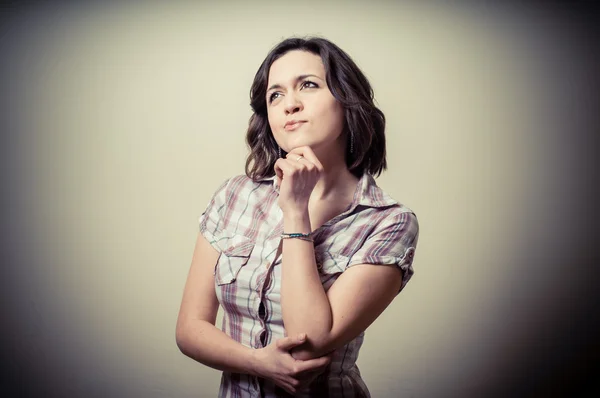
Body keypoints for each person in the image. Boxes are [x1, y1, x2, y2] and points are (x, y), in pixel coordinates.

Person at [176, 36, 419, 397]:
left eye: (308, 85)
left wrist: (295, 212)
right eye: (275, 95)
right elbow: (189, 328)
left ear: (346, 99)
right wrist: (256, 361)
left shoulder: (389, 223)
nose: (290, 104)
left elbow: (307, 342)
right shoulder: (234, 195)